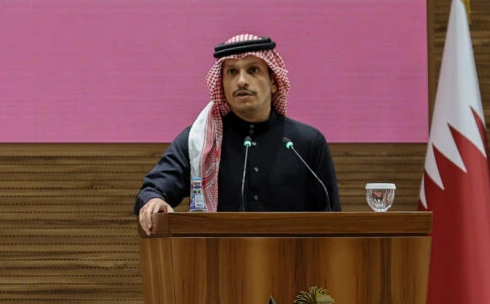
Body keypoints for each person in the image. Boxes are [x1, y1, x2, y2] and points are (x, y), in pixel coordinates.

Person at [136, 34, 339, 233]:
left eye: (253, 70)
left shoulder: (306, 143)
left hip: (294, 261)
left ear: (274, 82)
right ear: (222, 85)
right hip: (219, 260)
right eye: (232, 72)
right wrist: (154, 201)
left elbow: (330, 219)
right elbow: (153, 190)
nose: (242, 81)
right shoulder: (200, 140)